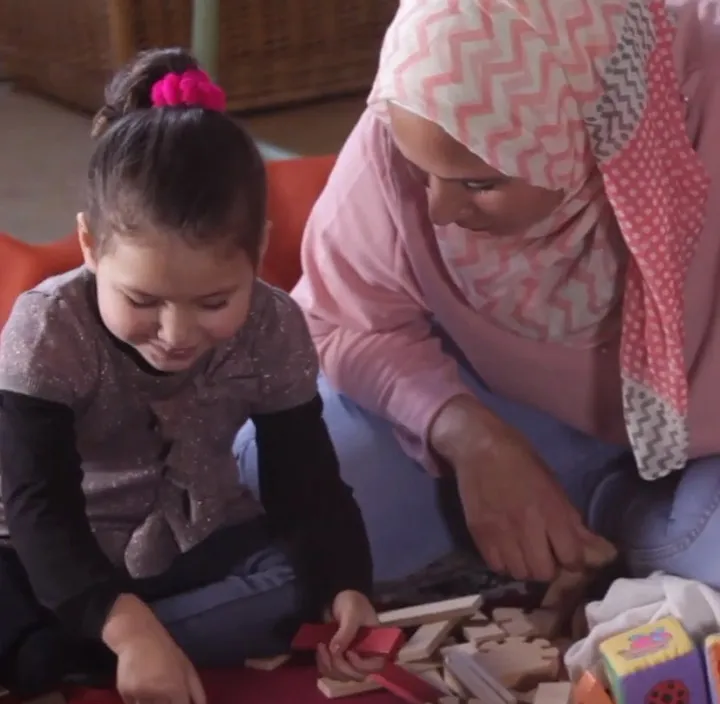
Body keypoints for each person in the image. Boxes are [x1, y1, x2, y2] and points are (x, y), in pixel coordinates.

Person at [232, 0, 720, 592]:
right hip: (502, 404)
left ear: (585, 131)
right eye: (424, 173)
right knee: (275, 468)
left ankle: (610, 523)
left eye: (480, 184)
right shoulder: (418, 101)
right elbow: (342, 319)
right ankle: (608, 529)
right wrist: (469, 437)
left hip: (704, 443)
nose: (438, 212)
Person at [0, 48, 381, 704]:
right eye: (142, 300)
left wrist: (343, 586)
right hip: (44, 556)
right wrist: (130, 627)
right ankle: (109, 650)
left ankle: (102, 659)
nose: (176, 333)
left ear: (259, 252)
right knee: (28, 636)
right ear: (89, 247)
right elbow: (41, 515)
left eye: (212, 303)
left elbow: (307, 484)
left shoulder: (273, 325)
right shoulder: (47, 328)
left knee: (304, 581)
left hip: (189, 539)